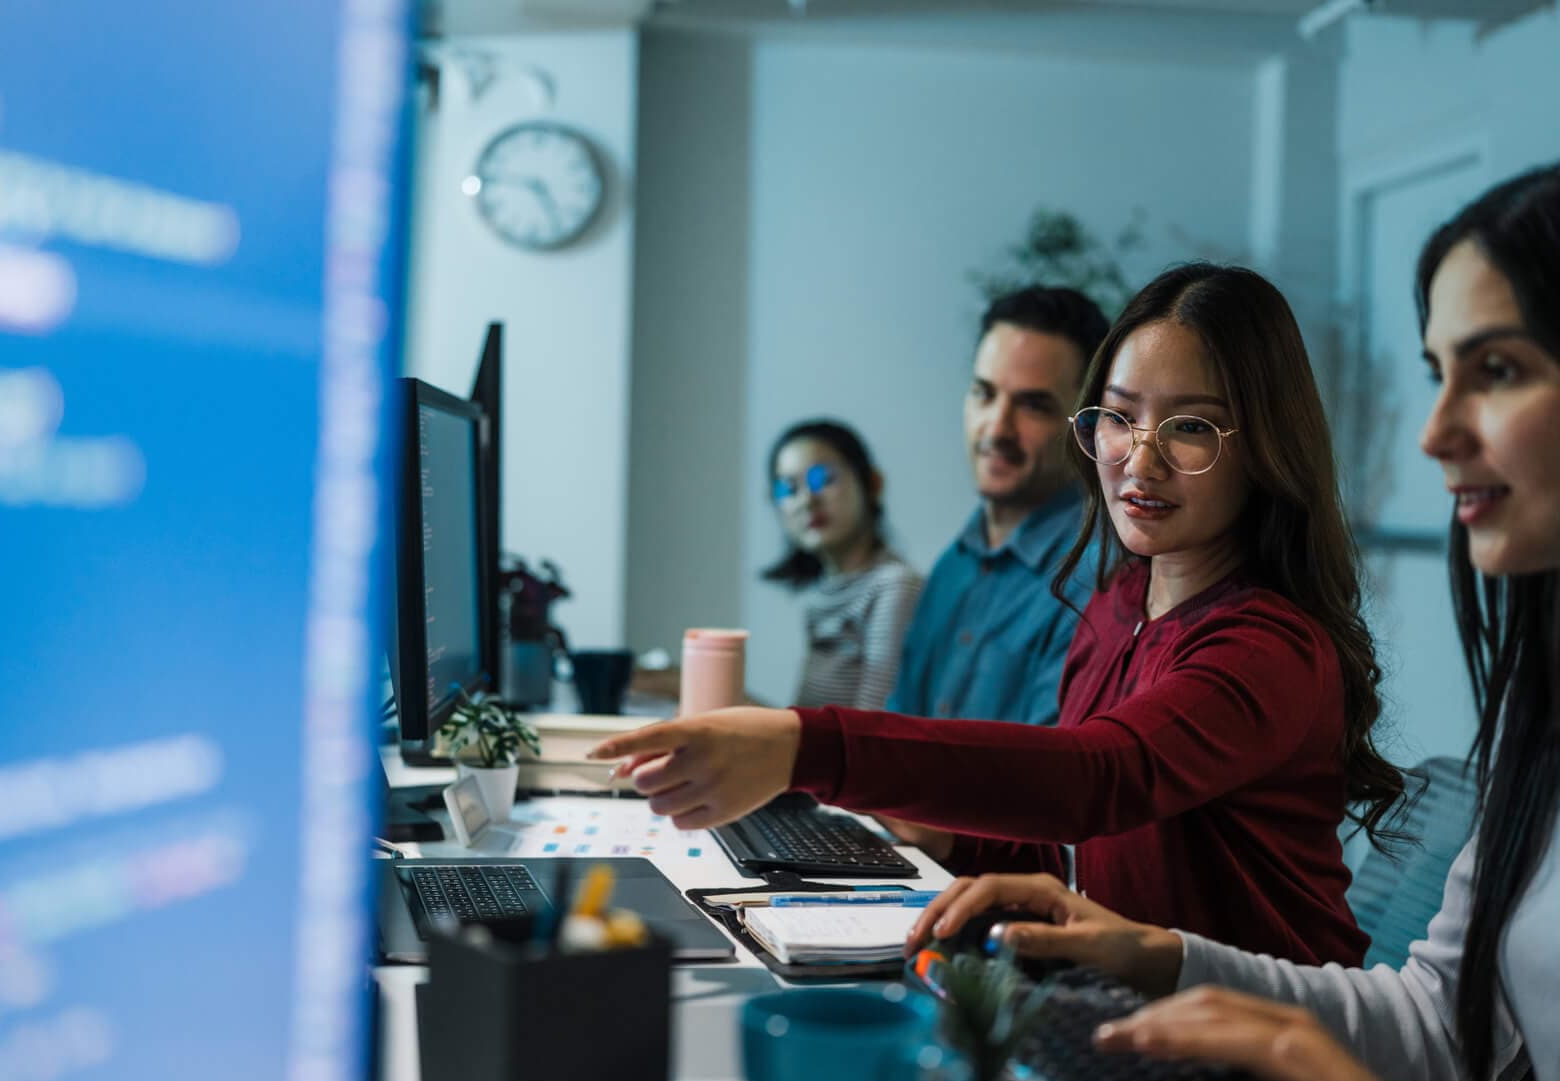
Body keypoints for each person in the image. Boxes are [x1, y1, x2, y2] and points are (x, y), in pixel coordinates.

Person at [909, 146, 1560, 1081]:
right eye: (1439, 374)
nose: (1436, 433)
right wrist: (1156, 957)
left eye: (1500, 371)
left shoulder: (1267, 641)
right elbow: (1442, 1020)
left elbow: (1106, 775)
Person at [593, 264, 1405, 966]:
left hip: (1272, 1060)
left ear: (1262, 443)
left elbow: (1098, 777)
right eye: (1118, 417)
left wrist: (806, 743)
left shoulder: (1266, 648)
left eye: (1189, 428)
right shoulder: (1118, 602)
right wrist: (950, 839)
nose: (1139, 457)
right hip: (1139, 1020)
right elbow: (1078, 851)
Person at [886, 285, 1111, 726]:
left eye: (1033, 405)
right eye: (984, 394)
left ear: (1088, 422)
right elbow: (895, 737)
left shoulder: (1096, 578)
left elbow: (1050, 773)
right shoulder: (952, 566)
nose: (997, 428)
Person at [762, 419, 922, 711]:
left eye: (822, 479)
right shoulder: (824, 595)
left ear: (872, 484)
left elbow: (869, 731)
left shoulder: (894, 585)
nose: (807, 500)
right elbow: (805, 722)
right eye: (788, 488)